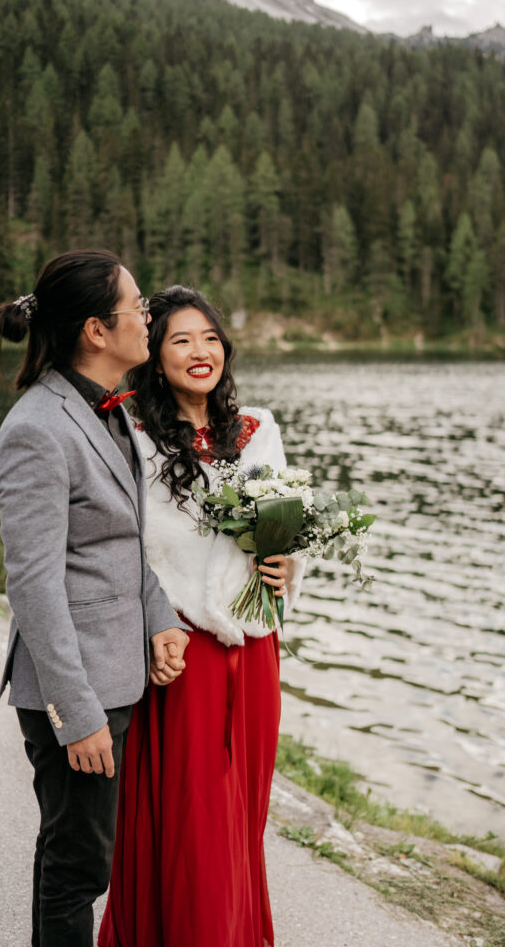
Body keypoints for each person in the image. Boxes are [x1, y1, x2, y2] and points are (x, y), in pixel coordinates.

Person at [0, 250, 190, 947]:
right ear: (96, 331)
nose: (149, 318)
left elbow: (120, 542)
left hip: (115, 673)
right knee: (77, 866)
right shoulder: (36, 428)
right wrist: (76, 715)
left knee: (77, 854)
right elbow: (34, 584)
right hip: (75, 689)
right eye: (138, 307)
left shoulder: (108, 412)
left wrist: (160, 618)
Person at [98, 286, 304, 947]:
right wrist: (148, 629)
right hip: (180, 653)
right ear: (154, 355)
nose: (199, 351)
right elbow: (122, 546)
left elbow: (284, 530)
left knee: (239, 821)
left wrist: (287, 566)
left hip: (255, 649)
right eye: (181, 339)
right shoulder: (129, 434)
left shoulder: (258, 431)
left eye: (210, 338)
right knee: (194, 823)